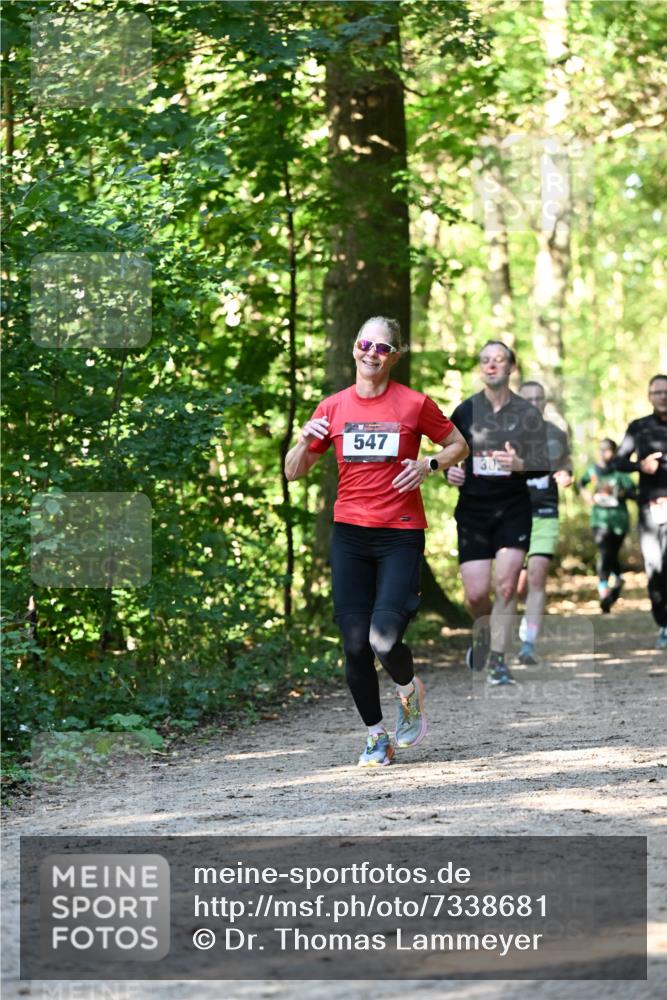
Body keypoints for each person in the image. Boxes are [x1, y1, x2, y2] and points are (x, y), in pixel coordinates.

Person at [284, 316, 468, 766]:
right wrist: (304, 441)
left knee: (383, 641)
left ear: (395, 356)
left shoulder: (414, 404)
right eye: (366, 344)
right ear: (354, 348)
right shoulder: (331, 408)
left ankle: (409, 691)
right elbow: (293, 470)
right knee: (353, 646)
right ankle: (375, 736)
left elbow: (458, 444)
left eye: (383, 348)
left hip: (400, 534)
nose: (372, 353)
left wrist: (429, 465)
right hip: (349, 535)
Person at [447, 341, 548, 686]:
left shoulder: (527, 413)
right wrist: (450, 472)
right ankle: (484, 634)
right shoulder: (464, 411)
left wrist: (520, 465)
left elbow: (541, 465)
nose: (491, 366)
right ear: (481, 368)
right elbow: (448, 454)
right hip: (473, 511)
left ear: (511, 368)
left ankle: (498, 662)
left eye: (499, 360)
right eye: (485, 361)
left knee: (506, 586)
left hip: (513, 509)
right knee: (476, 595)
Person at [516, 381, 573, 664]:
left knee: (538, 574)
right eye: (528, 399)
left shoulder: (557, 434)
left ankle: (528, 642)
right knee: (514, 585)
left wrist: (567, 475)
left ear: (545, 402)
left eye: (539, 399)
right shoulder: (505, 433)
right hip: (512, 515)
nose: (534, 404)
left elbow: (566, 464)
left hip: (545, 511)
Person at [614, 374, 667, 648]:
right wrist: (640, 466)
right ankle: (663, 623)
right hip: (651, 507)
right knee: (655, 566)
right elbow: (618, 462)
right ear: (649, 396)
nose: (662, 396)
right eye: (657, 392)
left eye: (666, 391)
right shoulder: (639, 427)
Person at [579, 439, 636, 613]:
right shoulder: (593, 470)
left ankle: (617, 581)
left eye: (609, 450)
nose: (605, 453)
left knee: (612, 554)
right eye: (602, 450)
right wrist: (587, 496)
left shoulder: (620, 471)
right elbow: (581, 483)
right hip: (599, 520)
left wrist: (621, 493)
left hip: (618, 520)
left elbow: (635, 491)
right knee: (604, 552)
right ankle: (604, 592)